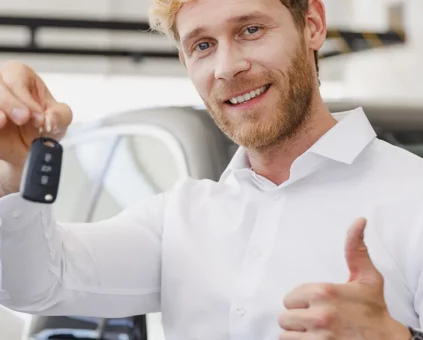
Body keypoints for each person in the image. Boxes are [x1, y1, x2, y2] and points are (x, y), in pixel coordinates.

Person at [0, 0, 422, 339]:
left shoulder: (413, 198)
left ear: (312, 24)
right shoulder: (180, 219)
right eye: (202, 45)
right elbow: (35, 285)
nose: (227, 67)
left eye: (250, 30)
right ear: (186, 63)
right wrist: (15, 168)